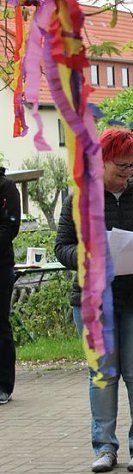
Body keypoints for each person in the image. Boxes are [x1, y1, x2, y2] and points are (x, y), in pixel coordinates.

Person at [55, 127, 133, 473]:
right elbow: (62, 248)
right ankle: (104, 448)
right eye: (121, 165)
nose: (127, 172)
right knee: (103, 375)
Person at [0, 167, 21, 405]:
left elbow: (10, 227)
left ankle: (4, 385)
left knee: (0, 326)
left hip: (1, 266)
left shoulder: (6, 186)